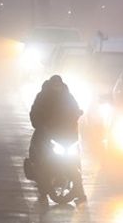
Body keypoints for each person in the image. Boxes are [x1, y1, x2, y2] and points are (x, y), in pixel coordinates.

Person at [27, 75, 86, 204]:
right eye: (55, 86)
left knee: (75, 159)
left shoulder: (68, 97)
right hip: (47, 133)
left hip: (64, 134)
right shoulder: (42, 97)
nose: (57, 88)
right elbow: (34, 113)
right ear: (51, 85)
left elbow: (75, 110)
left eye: (58, 86)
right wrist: (41, 124)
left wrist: (77, 114)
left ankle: (80, 191)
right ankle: (40, 179)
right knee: (39, 150)